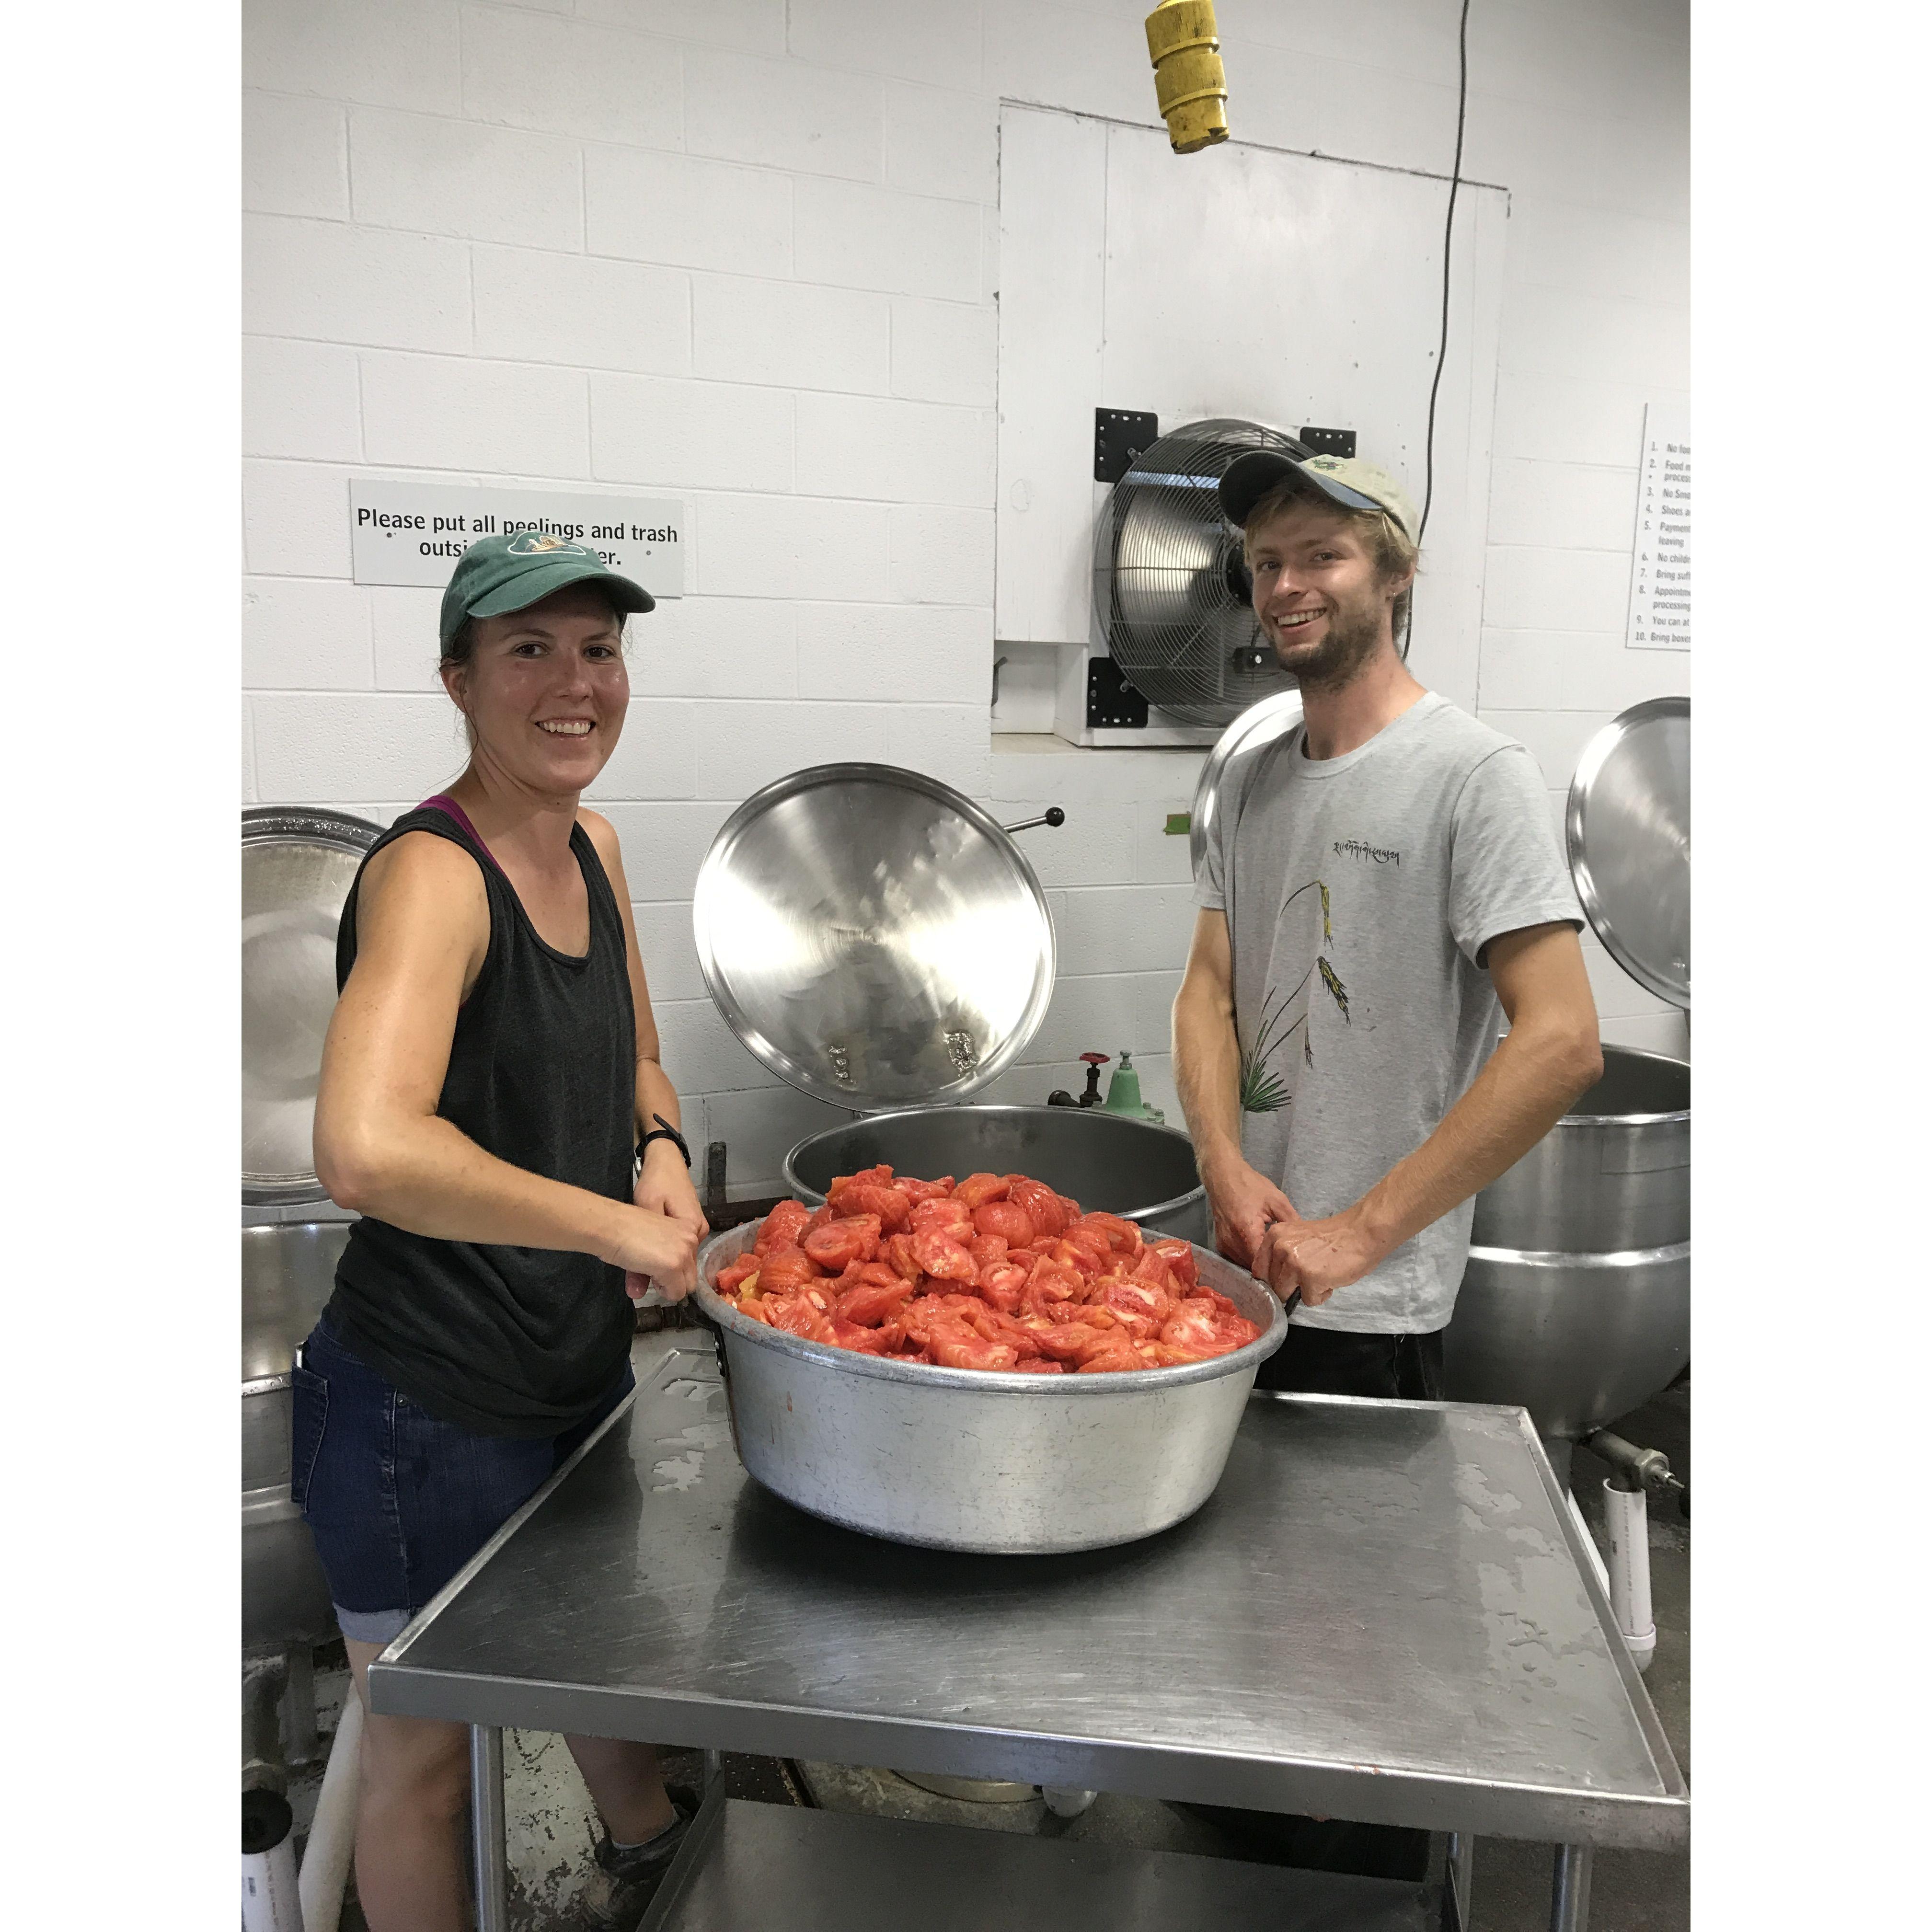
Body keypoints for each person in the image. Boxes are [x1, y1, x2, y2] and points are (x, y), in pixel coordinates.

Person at [1171, 450, 1604, 1876]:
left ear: (1397, 573)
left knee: (1350, 1655)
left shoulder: (1473, 777)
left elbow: (1562, 1042)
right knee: (1234, 1605)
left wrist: (1361, 1231)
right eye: (1267, 562)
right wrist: (1224, 1163)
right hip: (1239, 1286)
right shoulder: (1250, 775)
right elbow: (1207, 991)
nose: (1287, 585)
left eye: (1323, 555)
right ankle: (1236, 1851)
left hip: (1372, 1313)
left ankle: (1358, 1886)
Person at [298, 531, 708, 1932]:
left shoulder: (594, 844)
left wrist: (659, 1152)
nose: (573, 683)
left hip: (570, 1378)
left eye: (599, 650)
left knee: (600, 1660)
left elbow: (637, 1056)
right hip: (421, 1408)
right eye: (528, 650)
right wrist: (609, 1230)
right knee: (423, 1767)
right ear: (457, 681)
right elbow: (365, 1148)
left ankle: (655, 1861)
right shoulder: (435, 874)